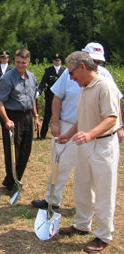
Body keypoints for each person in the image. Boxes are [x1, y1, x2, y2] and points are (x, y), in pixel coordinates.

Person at [31, 42, 123, 210]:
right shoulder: (69, 73)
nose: (95, 65)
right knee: (60, 165)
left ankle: (89, 207)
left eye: (98, 62)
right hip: (70, 125)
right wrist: (56, 123)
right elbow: (57, 97)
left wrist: (120, 127)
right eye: (93, 60)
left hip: (96, 132)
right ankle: (52, 200)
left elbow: (114, 105)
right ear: (84, 59)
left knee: (92, 173)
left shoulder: (105, 78)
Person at [57, 51, 121, 253]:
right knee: (82, 186)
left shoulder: (105, 86)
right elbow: (82, 118)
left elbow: (111, 118)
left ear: (83, 67)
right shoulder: (84, 87)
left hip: (103, 146)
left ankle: (103, 235)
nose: (71, 77)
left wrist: (90, 134)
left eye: (72, 72)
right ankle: (82, 224)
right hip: (85, 144)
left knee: (104, 191)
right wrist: (68, 134)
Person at [0, 49, 41, 193]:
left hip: (27, 116)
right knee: (12, 151)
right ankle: (13, 183)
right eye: (18, 62)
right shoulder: (7, 78)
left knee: (26, 151)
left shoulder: (32, 77)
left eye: (23, 62)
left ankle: (13, 179)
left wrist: (36, 117)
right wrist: (7, 120)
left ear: (28, 62)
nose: (20, 65)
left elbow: (32, 99)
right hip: (12, 117)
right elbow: (0, 102)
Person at [36, 53, 65, 140]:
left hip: (61, 97)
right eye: (55, 60)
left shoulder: (64, 71)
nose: (57, 62)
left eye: (58, 60)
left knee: (62, 116)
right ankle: (42, 135)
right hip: (50, 97)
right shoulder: (48, 70)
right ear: (53, 61)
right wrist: (39, 92)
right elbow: (43, 83)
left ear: (61, 61)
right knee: (47, 116)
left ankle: (62, 134)